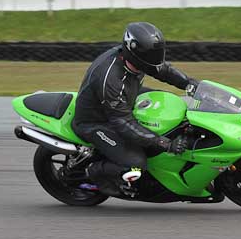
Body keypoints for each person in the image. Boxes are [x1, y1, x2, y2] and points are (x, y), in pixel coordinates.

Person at [72, 22, 198, 196]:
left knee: (168, 101)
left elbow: (163, 70)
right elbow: (122, 122)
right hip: (97, 122)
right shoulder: (111, 79)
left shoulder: (137, 59)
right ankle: (94, 172)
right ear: (136, 53)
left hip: (125, 101)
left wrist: (189, 83)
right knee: (136, 162)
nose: (157, 59)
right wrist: (164, 143)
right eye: (153, 54)